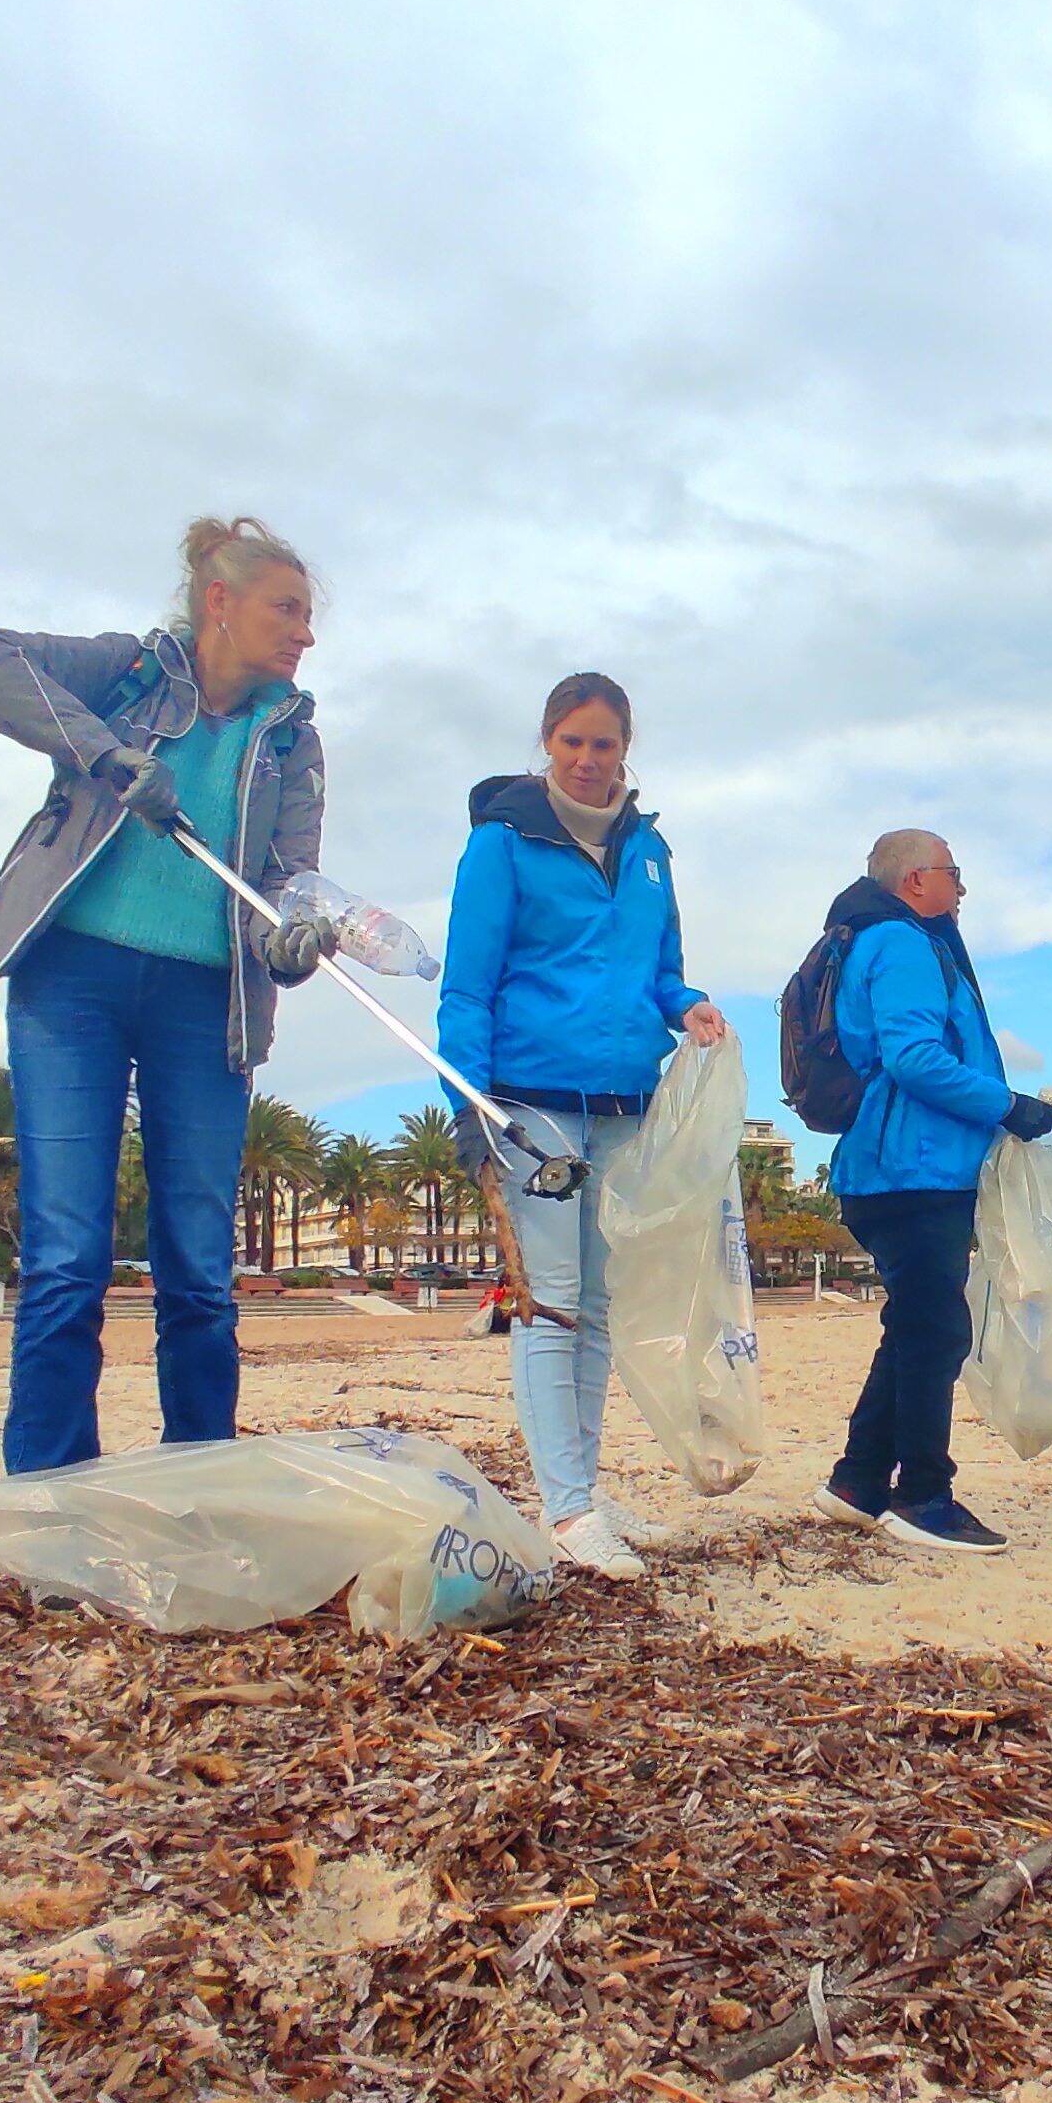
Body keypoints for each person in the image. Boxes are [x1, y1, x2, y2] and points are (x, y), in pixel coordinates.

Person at [0, 517, 336, 1475]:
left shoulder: (295, 741)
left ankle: (199, 1482)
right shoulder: (126, 672)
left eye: (309, 617)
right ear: (219, 604)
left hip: (205, 1002)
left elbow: (288, 880)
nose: (305, 635)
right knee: (67, 1259)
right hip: (70, 979)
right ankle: (48, 1494)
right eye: (287, 609)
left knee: (199, 1266)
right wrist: (107, 757)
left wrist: (292, 941)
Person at [438, 672, 727, 1582]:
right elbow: (466, 985)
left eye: (604, 745)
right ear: (547, 743)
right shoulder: (503, 843)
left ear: (625, 749)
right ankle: (564, 1510)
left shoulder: (650, 852)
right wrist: (470, 1109)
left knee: (599, 1306)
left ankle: (586, 1493)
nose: (588, 761)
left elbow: (660, 968)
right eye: (572, 742)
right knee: (550, 1303)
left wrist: (689, 1007)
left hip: (623, 1105)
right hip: (532, 1102)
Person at [809, 831, 1052, 1553]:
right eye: (955, 874)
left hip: (906, 1168)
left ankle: (857, 1482)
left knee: (918, 1326)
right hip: (908, 1170)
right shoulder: (902, 944)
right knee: (937, 1331)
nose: (962, 888)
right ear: (916, 879)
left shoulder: (892, 940)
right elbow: (914, 1058)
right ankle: (922, 1494)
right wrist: (1007, 1105)